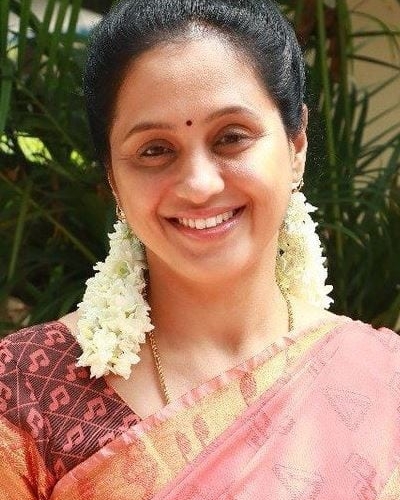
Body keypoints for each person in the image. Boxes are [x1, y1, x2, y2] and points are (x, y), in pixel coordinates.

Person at [1, 0, 399, 498]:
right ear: (113, 177)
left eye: (231, 137)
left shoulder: (385, 380)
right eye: (155, 150)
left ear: (295, 145)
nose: (199, 185)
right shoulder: (25, 391)